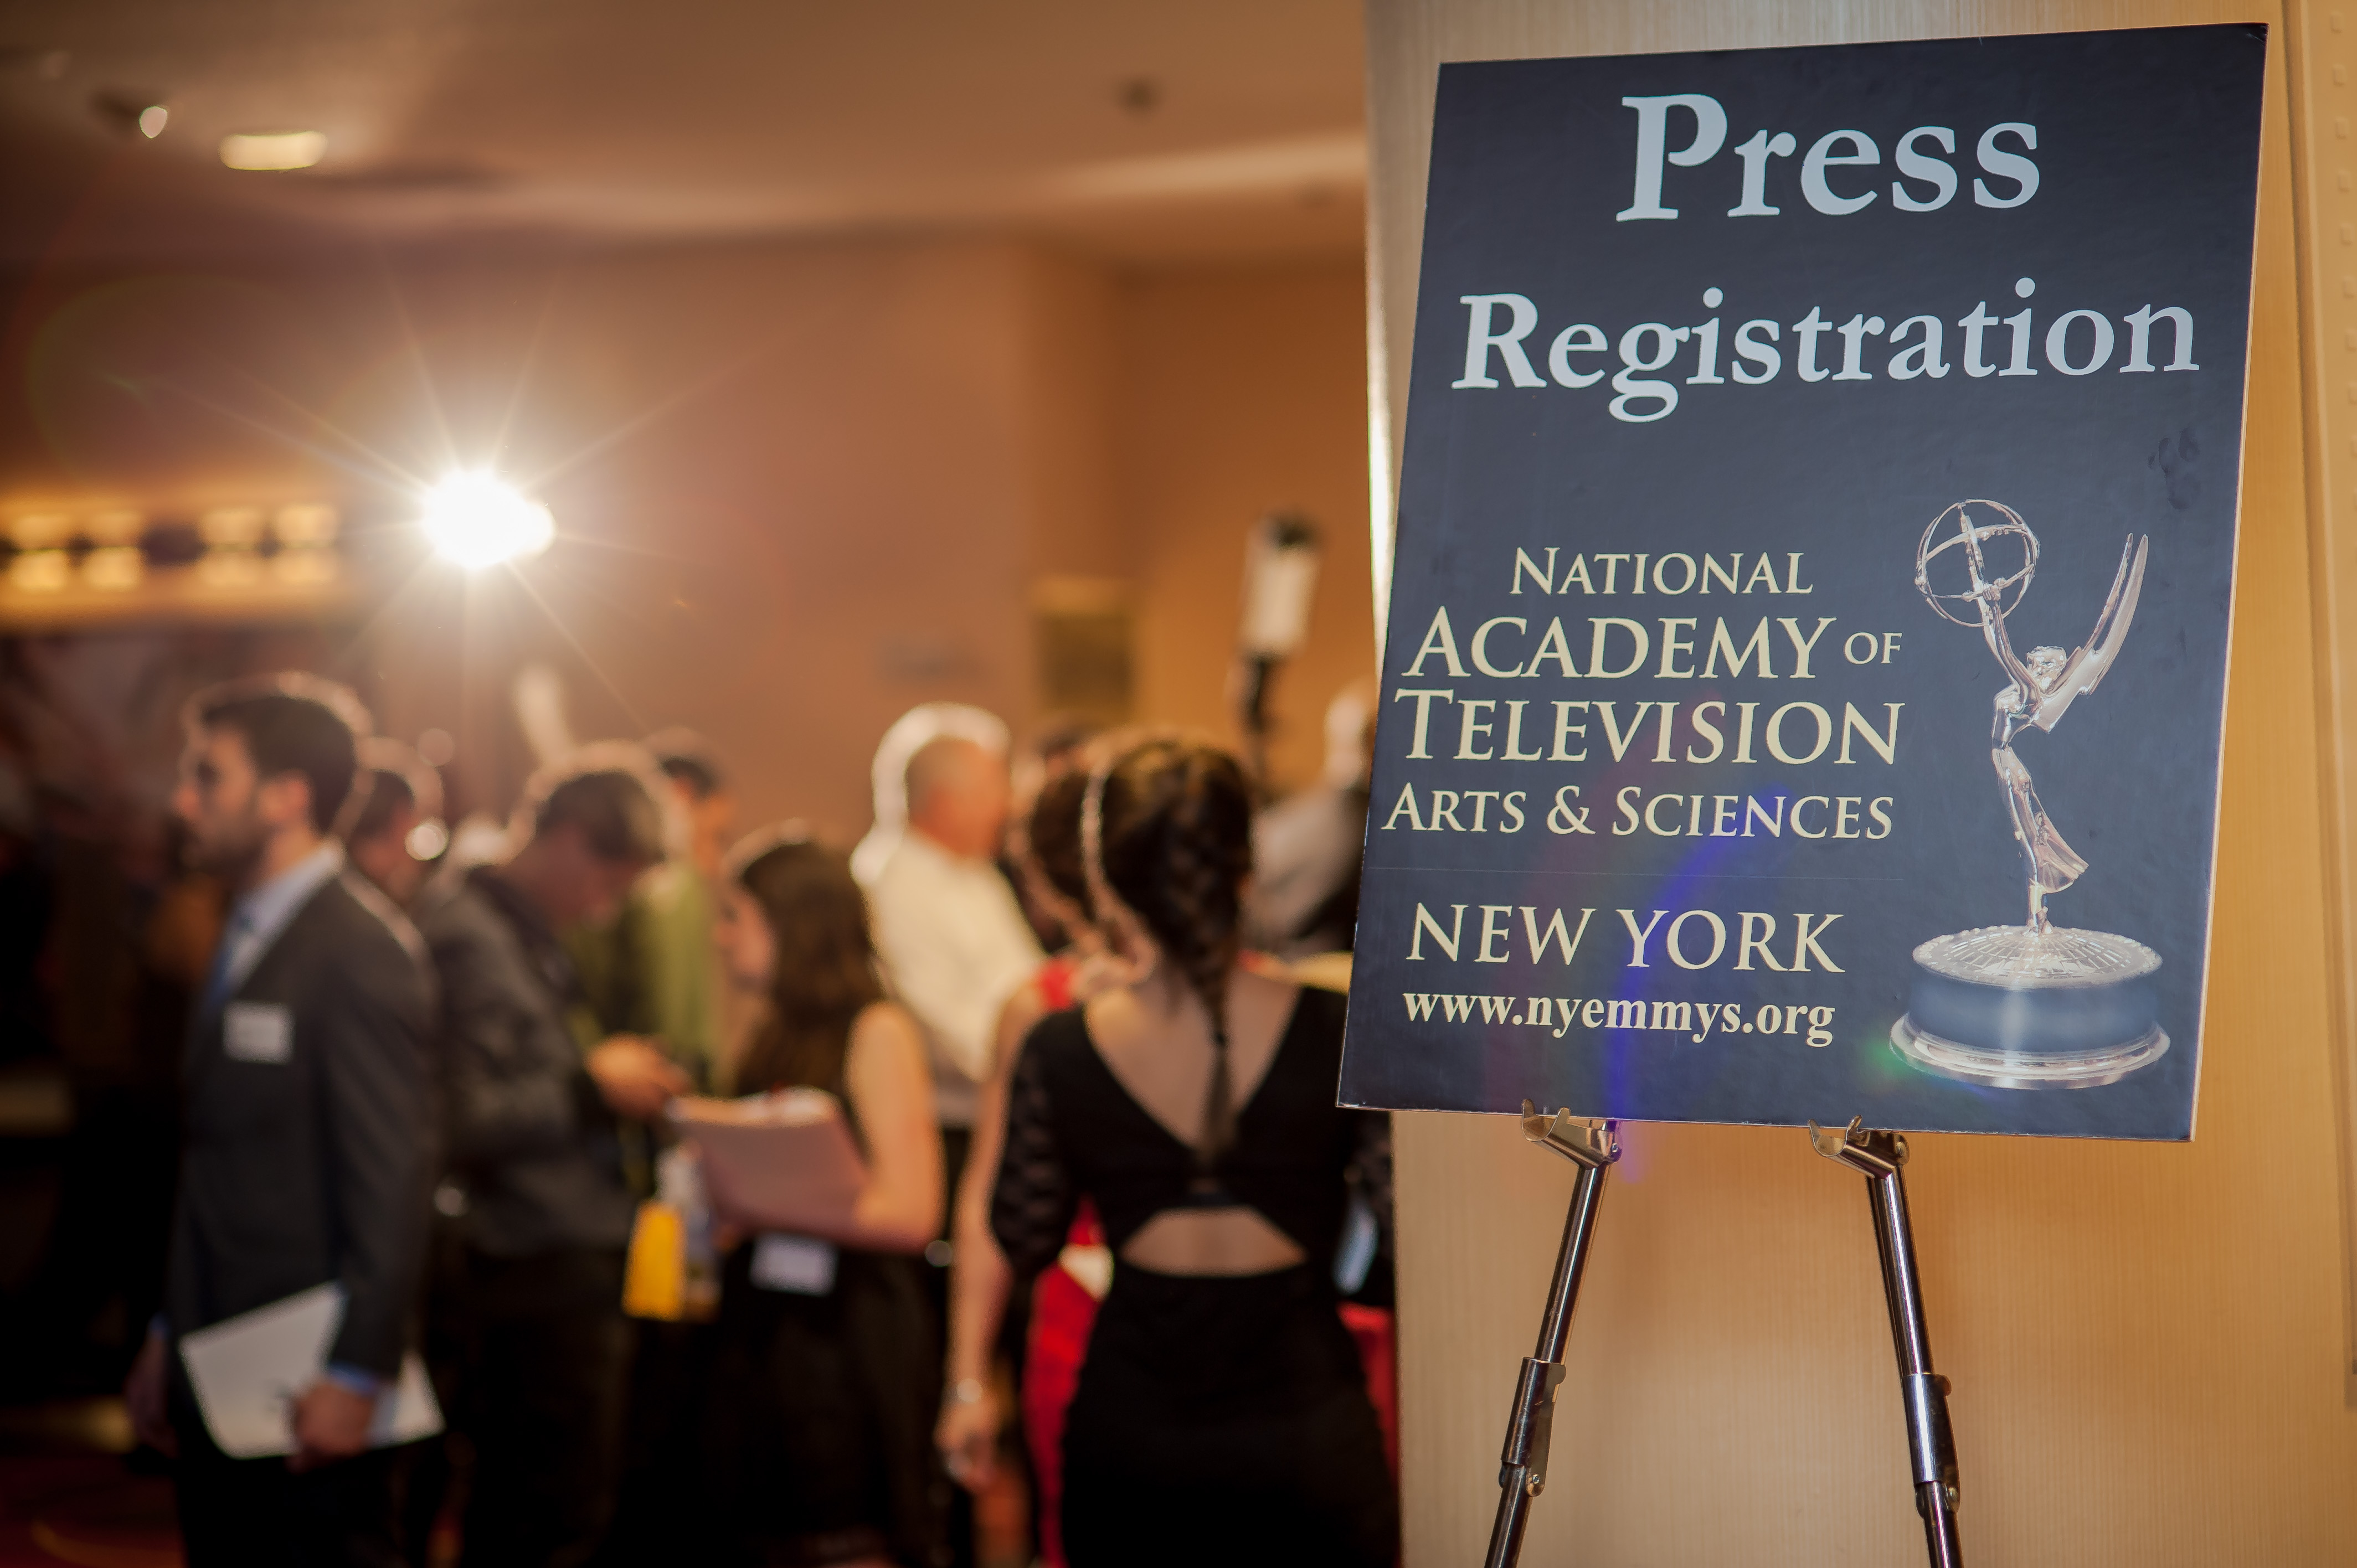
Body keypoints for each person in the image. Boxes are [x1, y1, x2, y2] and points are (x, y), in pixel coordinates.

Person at [984, 737, 1397, 1566]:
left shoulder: (1061, 1048)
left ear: (1105, 881)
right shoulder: (1338, 1029)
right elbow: (1395, 1250)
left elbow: (1024, 1235)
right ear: (1244, 869)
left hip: (1136, 1433)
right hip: (1304, 1429)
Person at [123, 674, 434, 1567]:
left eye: (207, 776)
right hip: (220, 1366)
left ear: (287, 796)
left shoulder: (360, 950)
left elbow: (395, 1182)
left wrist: (357, 1372)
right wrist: (168, 1331)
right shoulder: (243, 927)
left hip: (306, 1385)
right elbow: (214, 1161)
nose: (183, 802)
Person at [412, 756, 687, 1568]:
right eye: (607, 881)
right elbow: (460, 1115)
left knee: (559, 1504)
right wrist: (591, 1084)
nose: (606, 908)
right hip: (526, 1260)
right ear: (567, 840)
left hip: (551, 1249)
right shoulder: (468, 931)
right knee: (544, 1512)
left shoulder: (517, 927)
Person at [696, 829, 948, 1567]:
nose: (721, 937)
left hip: (851, 1333)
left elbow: (912, 1212)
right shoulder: (771, 1031)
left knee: (847, 1535)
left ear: (793, 924)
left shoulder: (877, 1029)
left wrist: (756, 1202)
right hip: (769, 1326)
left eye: (736, 917)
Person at [861, 709, 1043, 1177]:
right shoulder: (890, 888)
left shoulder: (976, 873)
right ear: (944, 802)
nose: (1007, 807)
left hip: (1012, 1101)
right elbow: (948, 1033)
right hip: (955, 1130)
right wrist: (1048, 1062)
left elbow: (1030, 979)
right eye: (991, 791)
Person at [347, 738, 446, 908]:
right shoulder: (377, 900)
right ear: (400, 816)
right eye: (417, 815)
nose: (417, 825)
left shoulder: (338, 874)